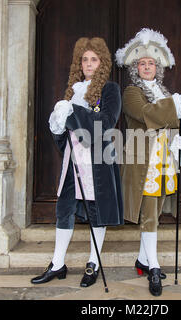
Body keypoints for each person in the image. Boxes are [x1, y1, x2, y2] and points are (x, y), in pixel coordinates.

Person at [31, 37, 123, 288]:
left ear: (102, 62)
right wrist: (60, 124)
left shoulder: (110, 89)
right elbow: (63, 133)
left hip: (98, 161)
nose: (89, 64)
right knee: (64, 209)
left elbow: (106, 123)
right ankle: (58, 263)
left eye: (94, 59)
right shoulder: (72, 90)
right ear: (79, 63)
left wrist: (72, 114)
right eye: (85, 59)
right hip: (72, 160)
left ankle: (93, 263)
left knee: (97, 212)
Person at [115, 28, 181, 296]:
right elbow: (145, 114)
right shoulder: (131, 92)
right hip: (144, 161)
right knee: (149, 215)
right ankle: (153, 267)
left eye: (151, 63)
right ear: (135, 68)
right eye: (142, 63)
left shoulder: (163, 92)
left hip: (164, 160)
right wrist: (175, 107)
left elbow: (171, 124)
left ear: (157, 67)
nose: (147, 66)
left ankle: (142, 260)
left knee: (156, 212)